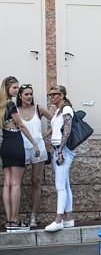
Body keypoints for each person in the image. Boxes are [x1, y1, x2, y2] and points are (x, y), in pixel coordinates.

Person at [1, 76, 41, 232]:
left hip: (5, 143)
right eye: (15, 88)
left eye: (18, 88)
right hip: (15, 141)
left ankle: (9, 221)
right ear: (7, 89)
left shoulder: (0, 105)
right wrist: (35, 144)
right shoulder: (10, 104)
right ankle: (14, 220)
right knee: (15, 183)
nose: (17, 91)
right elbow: (22, 126)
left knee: (7, 183)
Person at [17, 84, 54, 227]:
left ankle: (34, 216)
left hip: (38, 149)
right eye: (26, 94)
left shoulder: (38, 109)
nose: (29, 97)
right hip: (21, 148)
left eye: (30, 94)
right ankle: (17, 216)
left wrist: (46, 134)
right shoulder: (15, 110)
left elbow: (56, 121)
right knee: (17, 184)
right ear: (20, 96)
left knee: (36, 181)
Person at [44, 85, 76, 232]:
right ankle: (68, 217)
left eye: (55, 94)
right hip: (59, 149)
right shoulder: (58, 111)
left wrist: (61, 151)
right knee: (66, 184)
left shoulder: (66, 109)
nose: (51, 97)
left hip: (64, 151)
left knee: (60, 186)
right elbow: (55, 129)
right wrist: (41, 137)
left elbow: (67, 130)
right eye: (50, 95)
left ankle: (58, 219)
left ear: (62, 95)